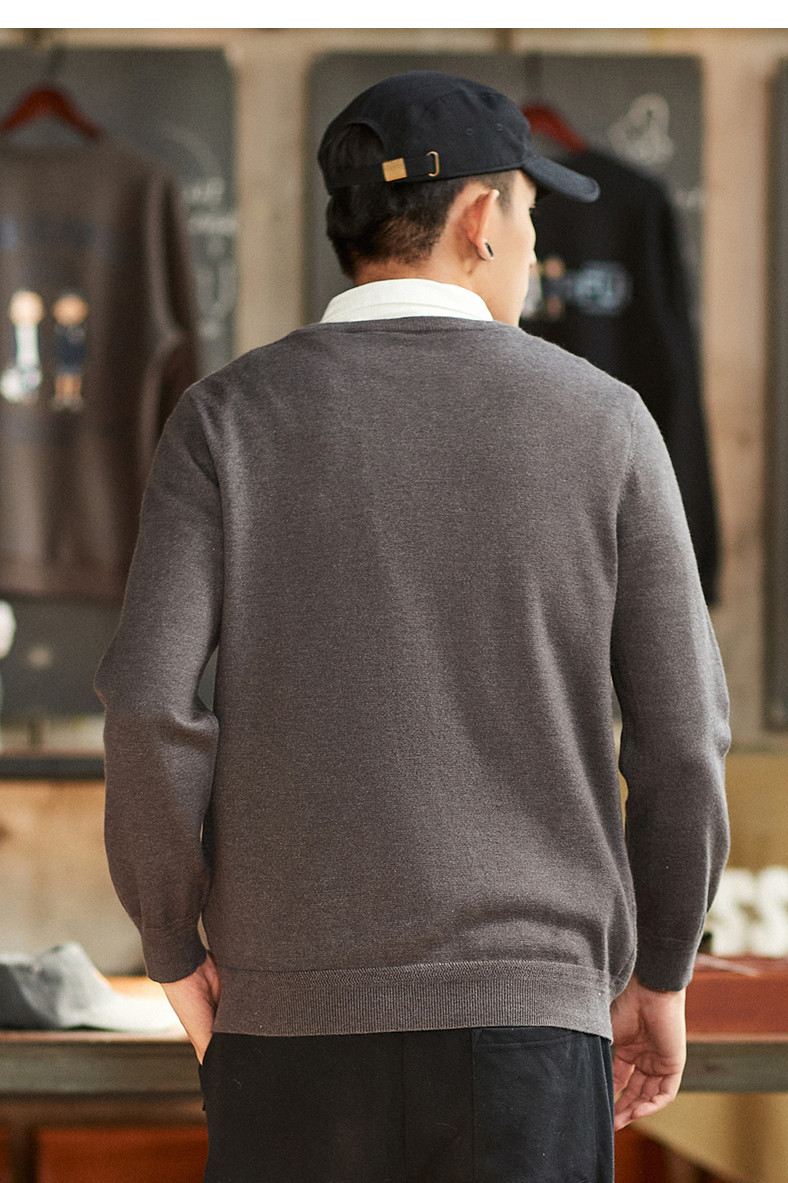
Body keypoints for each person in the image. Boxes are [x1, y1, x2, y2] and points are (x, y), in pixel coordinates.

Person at [96, 71, 730, 1183]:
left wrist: (171, 946)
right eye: (529, 212)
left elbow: (149, 708)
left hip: (285, 1027)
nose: (532, 242)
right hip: (530, 1030)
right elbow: (681, 741)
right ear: (480, 219)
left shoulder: (226, 420)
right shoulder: (606, 424)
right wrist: (662, 970)